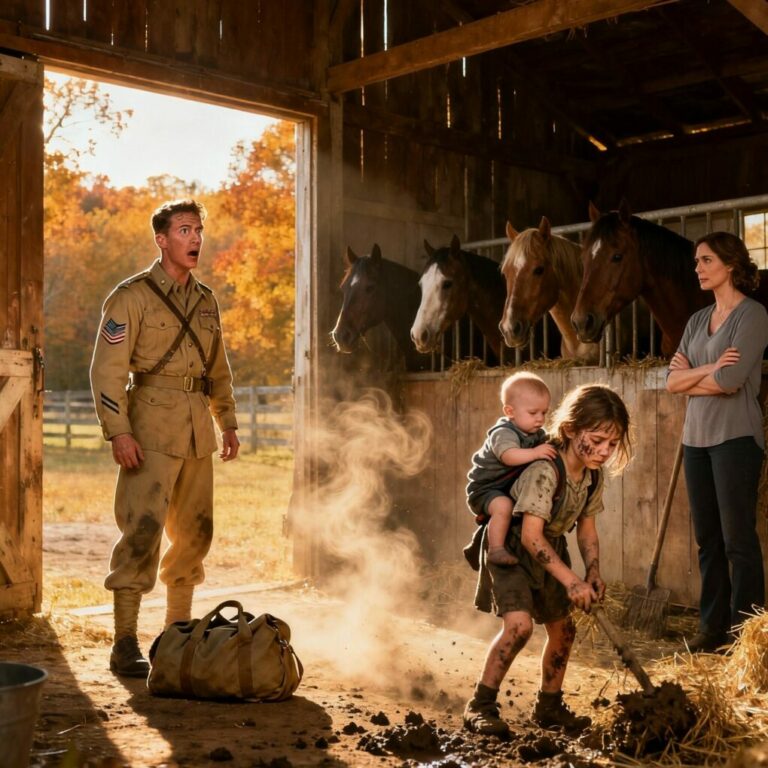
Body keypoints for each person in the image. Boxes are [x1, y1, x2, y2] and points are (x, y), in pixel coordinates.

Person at [90, 198, 240, 677]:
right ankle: (125, 642)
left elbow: (218, 369)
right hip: (149, 430)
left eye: (198, 230)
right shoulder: (129, 297)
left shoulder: (207, 300)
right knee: (141, 532)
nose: (195, 238)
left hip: (198, 431)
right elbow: (106, 373)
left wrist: (228, 421)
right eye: (183, 230)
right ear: (161, 239)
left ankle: (177, 636)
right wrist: (118, 432)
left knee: (196, 535)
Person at [463, 384, 632, 737]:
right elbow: (529, 536)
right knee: (520, 627)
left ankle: (549, 707)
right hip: (513, 546)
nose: (603, 451)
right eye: (598, 439)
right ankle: (480, 705)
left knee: (564, 629)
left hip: (550, 546)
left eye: (612, 445)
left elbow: (586, 529)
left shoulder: (591, 474)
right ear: (570, 429)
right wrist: (572, 581)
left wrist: (593, 572)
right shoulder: (546, 469)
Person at [667, 231, 768, 654]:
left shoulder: (753, 315)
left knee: (737, 540)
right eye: (696, 262)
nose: (698, 269)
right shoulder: (695, 320)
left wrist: (697, 377)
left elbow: (730, 382)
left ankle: (745, 637)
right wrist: (707, 370)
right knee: (707, 539)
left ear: (729, 264)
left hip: (736, 439)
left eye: (706, 260)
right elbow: (671, 383)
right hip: (696, 440)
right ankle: (712, 629)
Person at [465, 372, 557, 567]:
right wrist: (535, 453)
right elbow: (509, 456)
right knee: (504, 506)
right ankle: (495, 550)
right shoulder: (503, 433)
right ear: (510, 411)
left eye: (544, 412)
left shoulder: (535, 433)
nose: (540, 419)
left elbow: (549, 445)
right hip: (486, 489)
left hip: (506, 486)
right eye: (533, 413)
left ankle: (479, 541)